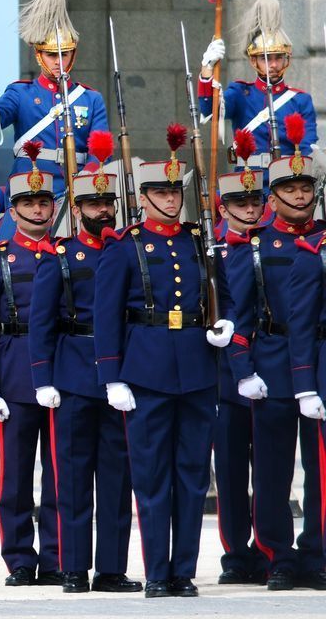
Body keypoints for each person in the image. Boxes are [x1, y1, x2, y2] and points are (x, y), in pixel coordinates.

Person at [94, 124, 227, 598]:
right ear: (144, 198)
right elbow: (106, 316)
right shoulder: (124, 247)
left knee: (192, 477)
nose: (171, 201)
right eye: (161, 193)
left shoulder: (197, 242)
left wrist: (223, 325)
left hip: (195, 367)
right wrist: (112, 376)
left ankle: (183, 571)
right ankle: (156, 572)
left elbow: (220, 296)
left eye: (176, 192)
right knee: (151, 479)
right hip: (146, 368)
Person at [28, 132, 140, 594]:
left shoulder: (128, 252)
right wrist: (42, 378)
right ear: (76, 210)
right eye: (93, 205)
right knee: (72, 478)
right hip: (73, 375)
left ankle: (111, 568)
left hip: (120, 379)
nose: (103, 211)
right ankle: (74, 567)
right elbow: (41, 322)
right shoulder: (60, 257)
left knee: (116, 479)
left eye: (107, 203)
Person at [223, 117, 326, 591]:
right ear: (274, 195)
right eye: (291, 188)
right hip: (271, 360)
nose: (301, 197)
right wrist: (243, 370)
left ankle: (316, 551)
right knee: (271, 471)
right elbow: (240, 318)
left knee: (320, 469)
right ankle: (278, 555)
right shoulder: (255, 246)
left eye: (307, 187)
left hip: (319, 363)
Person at [0, 140, 61, 587]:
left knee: (63, 474)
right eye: (29, 202)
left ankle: (61, 553)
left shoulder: (68, 255)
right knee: (17, 476)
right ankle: (21, 557)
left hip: (63, 375)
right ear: (14, 208)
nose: (38, 210)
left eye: (44, 201)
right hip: (14, 374)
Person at [0, 0, 108, 240]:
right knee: (7, 244)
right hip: (31, 187)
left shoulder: (90, 98)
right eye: (52, 55)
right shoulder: (21, 94)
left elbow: (101, 147)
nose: (58, 62)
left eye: (65, 55)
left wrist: (88, 175)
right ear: (39, 55)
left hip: (78, 185)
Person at [212, 130, 269, 585]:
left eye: (256, 203)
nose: (251, 210)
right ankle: (235, 553)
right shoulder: (209, 252)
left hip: (270, 370)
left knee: (270, 470)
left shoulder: (274, 245)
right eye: (242, 204)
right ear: (223, 208)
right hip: (223, 379)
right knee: (231, 473)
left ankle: (269, 547)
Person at [199, 0, 317, 171]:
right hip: (248, 181)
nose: (274, 64)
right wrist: (207, 68)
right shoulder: (240, 94)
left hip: (288, 182)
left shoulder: (300, 100)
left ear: (287, 59)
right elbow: (209, 110)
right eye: (266, 58)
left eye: (279, 57)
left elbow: (308, 149)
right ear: (254, 60)